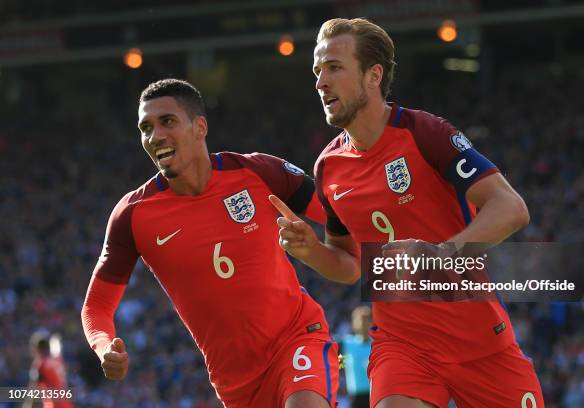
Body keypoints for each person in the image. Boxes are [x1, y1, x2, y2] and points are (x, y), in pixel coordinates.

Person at [270, 18, 544, 408]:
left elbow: (511, 208)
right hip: (401, 347)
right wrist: (310, 250)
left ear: (372, 75)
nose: (320, 82)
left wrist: (440, 256)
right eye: (317, 71)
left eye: (334, 67)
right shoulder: (328, 168)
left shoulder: (424, 133)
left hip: (479, 341)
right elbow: (351, 265)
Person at [80, 78, 339, 407]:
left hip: (297, 338)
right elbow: (96, 306)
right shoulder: (132, 216)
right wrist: (104, 347)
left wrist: (409, 279)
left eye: (167, 122)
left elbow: (343, 216)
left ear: (199, 127)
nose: (155, 135)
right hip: (234, 381)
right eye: (146, 127)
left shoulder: (258, 172)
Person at [26, 331, 73, 408]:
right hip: (67, 405)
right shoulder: (58, 361)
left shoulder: (40, 364)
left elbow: (32, 391)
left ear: (36, 348)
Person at [339, 306, 372, 408]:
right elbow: (339, 361)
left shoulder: (376, 344)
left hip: (374, 394)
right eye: (360, 320)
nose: (363, 323)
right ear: (353, 324)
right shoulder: (346, 344)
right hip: (355, 395)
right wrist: (341, 369)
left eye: (366, 320)